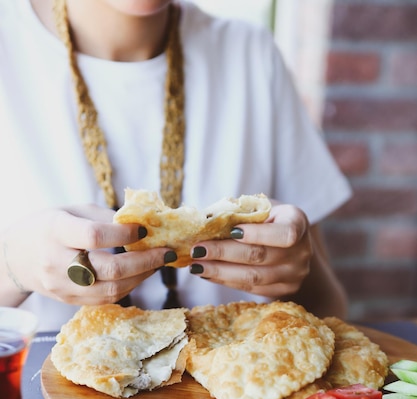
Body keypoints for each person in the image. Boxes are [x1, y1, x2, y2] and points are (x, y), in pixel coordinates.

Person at [0, 0, 352, 332]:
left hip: (228, 389)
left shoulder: (250, 54)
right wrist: (13, 268)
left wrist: (294, 270)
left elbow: (329, 309)